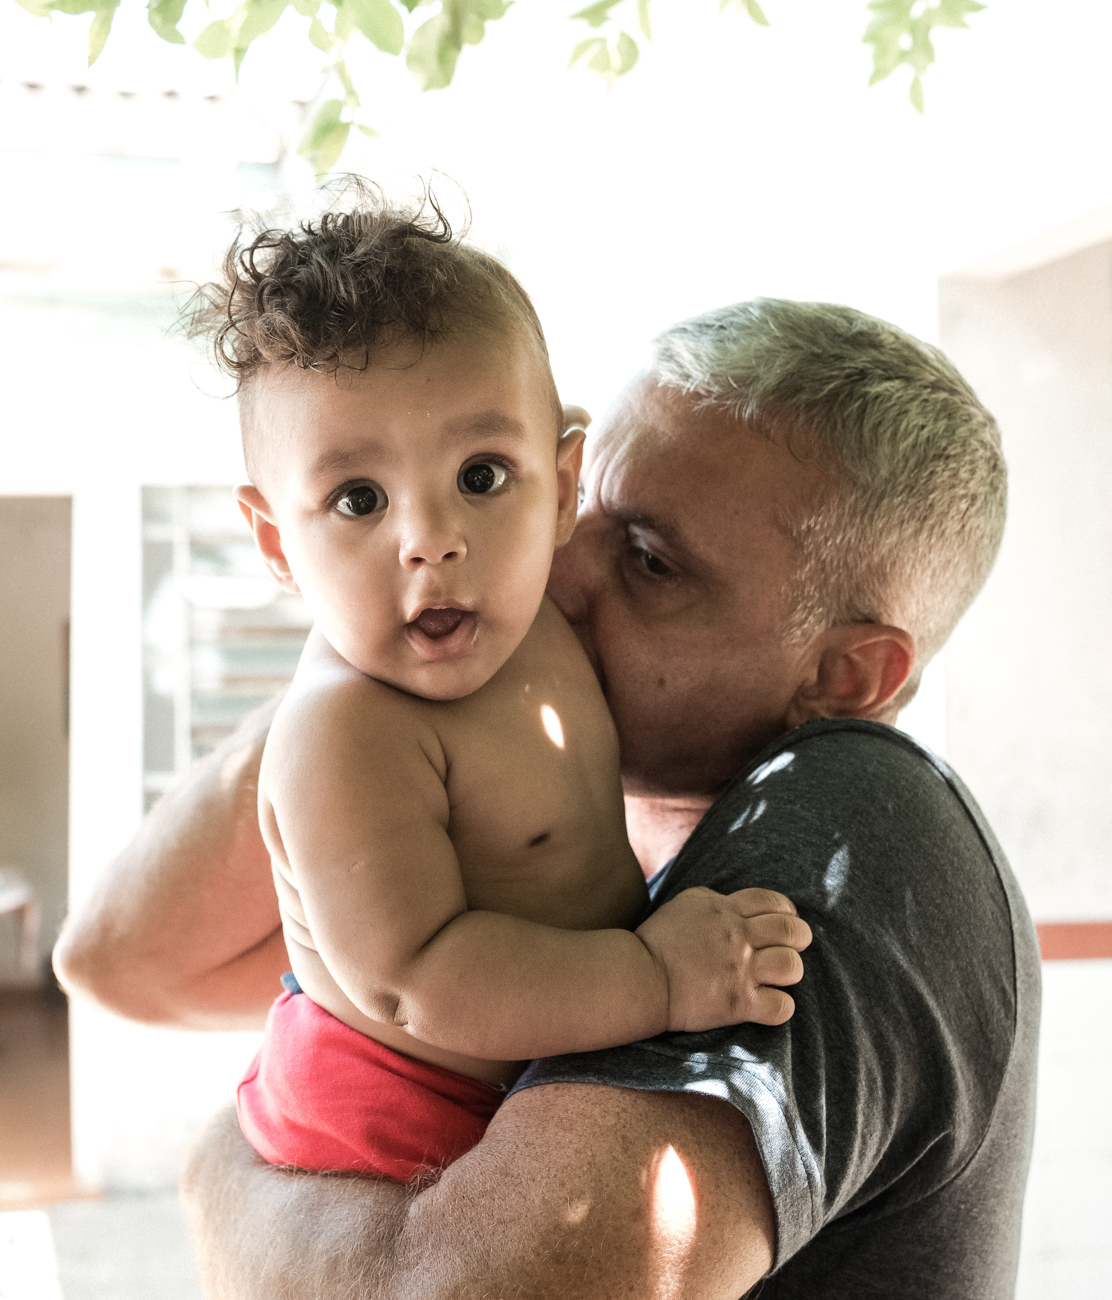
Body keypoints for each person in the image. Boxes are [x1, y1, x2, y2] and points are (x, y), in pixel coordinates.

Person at [54, 295, 1040, 1299]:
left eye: (649, 562)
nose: (551, 572)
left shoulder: (849, 818)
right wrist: (388, 622)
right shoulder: (545, 827)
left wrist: (222, 1173)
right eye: (567, 512)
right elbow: (124, 960)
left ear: (845, 678)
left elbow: (455, 1292)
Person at [197, 197, 810, 1181]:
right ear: (277, 542)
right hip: (393, 1116)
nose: (429, 539)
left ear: (564, 487)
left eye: (482, 475)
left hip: (527, 1069)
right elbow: (416, 982)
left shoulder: (544, 620)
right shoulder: (349, 731)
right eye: (358, 499)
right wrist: (655, 977)